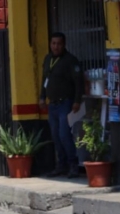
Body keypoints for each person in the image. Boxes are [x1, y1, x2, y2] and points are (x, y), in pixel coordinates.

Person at [39, 32, 84, 179]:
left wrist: (77, 100)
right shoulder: (47, 59)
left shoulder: (71, 60)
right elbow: (44, 79)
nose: (56, 46)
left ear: (64, 44)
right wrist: (42, 97)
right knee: (56, 136)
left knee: (64, 135)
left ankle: (73, 165)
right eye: (53, 43)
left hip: (66, 103)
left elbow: (79, 82)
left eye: (59, 44)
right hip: (52, 105)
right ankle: (61, 165)